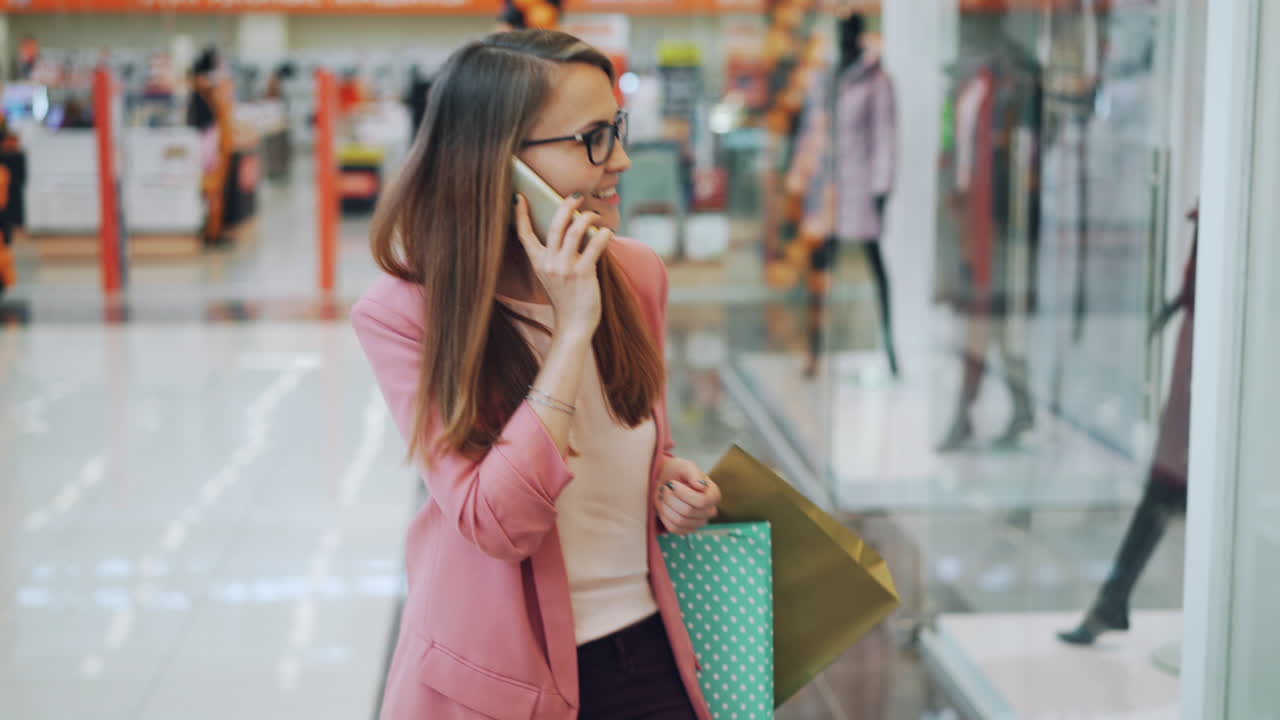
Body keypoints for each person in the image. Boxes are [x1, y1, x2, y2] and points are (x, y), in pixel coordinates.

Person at [351, 30, 722, 720]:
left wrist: (670, 487)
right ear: (500, 164)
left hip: (649, 656)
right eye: (593, 139)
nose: (621, 160)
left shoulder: (637, 275)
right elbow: (496, 523)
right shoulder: (408, 315)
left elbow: (630, 449)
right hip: (506, 685)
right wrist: (571, 326)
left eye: (617, 129)